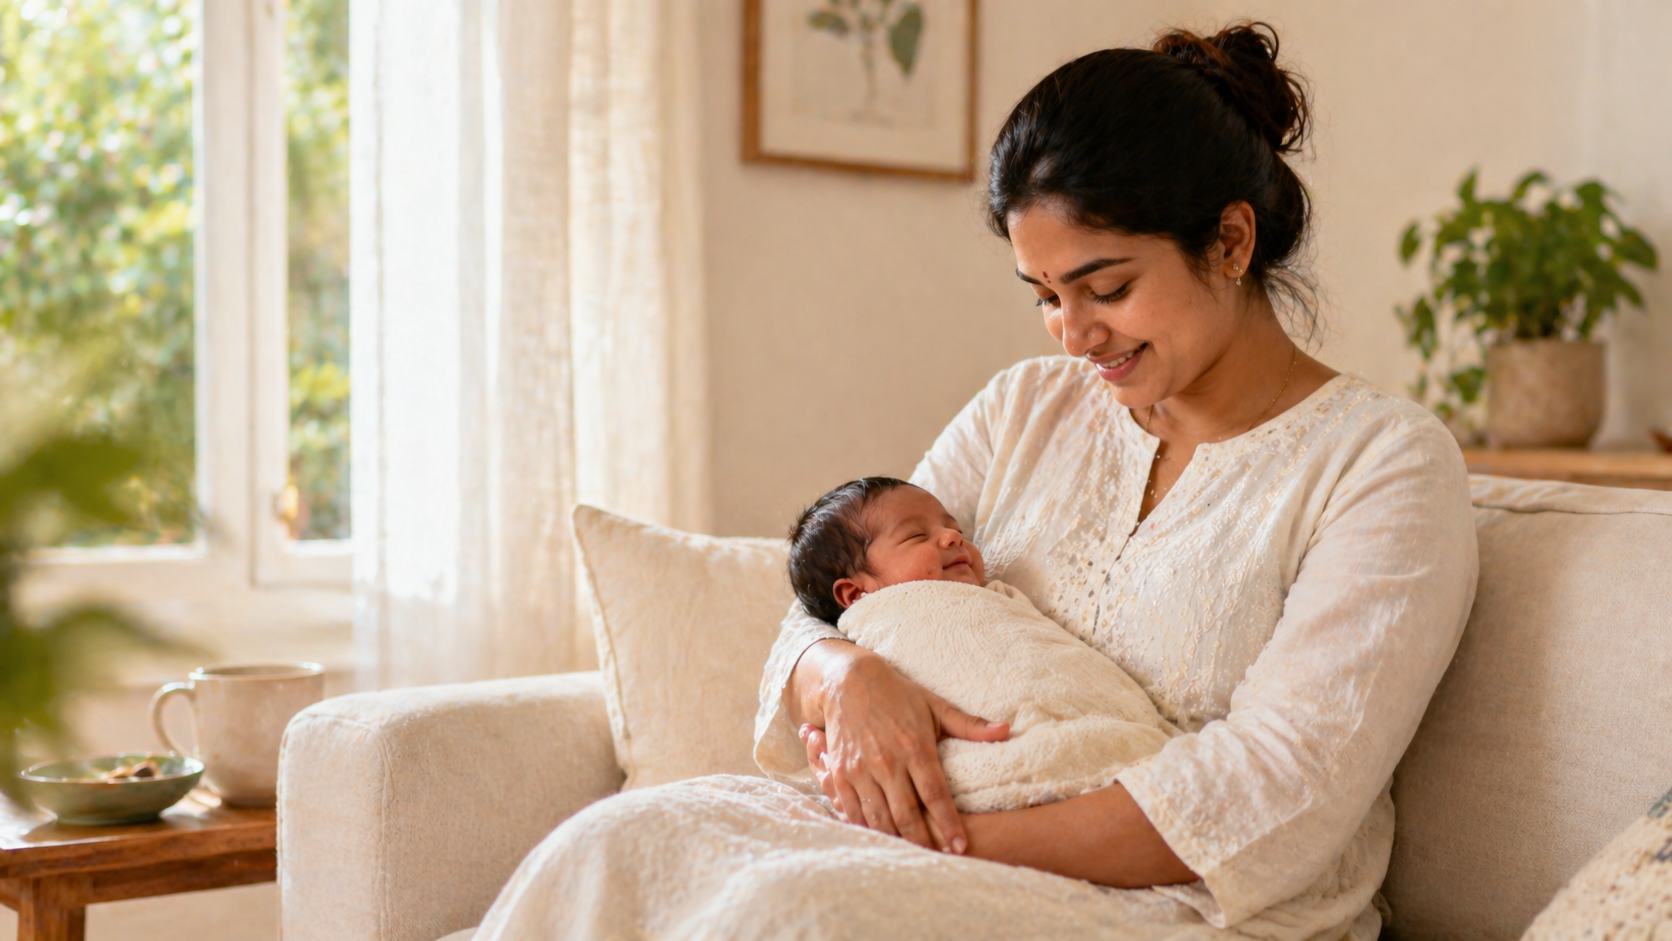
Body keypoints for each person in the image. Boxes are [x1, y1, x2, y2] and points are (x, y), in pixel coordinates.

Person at [474, 22, 1477, 941]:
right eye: (1043, 294)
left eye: (1107, 287)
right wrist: (846, 675)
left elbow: (1281, 794)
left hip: (1190, 903)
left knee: (795, 909)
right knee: (622, 838)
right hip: (934, 831)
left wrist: (932, 836)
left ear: (1229, 240)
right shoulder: (1025, 409)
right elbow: (822, 603)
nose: (1073, 335)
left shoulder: (1381, 463)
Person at [787, 476, 1179, 818]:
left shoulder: (997, 599)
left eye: (954, 528)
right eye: (917, 536)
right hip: (992, 754)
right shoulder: (876, 623)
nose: (953, 537)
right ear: (856, 594)